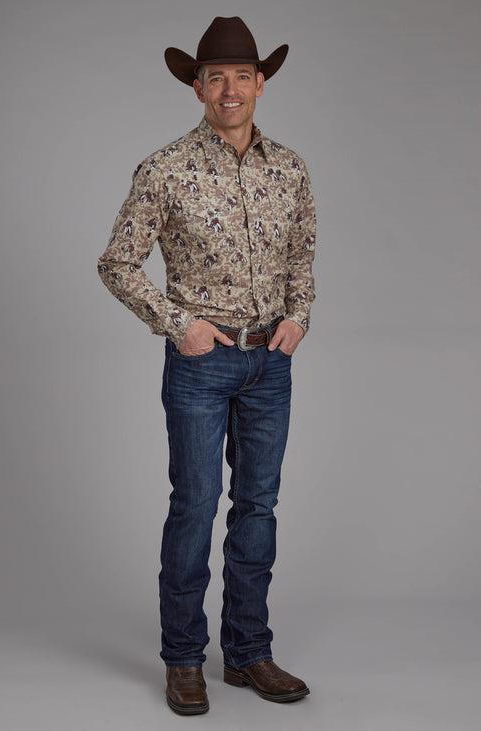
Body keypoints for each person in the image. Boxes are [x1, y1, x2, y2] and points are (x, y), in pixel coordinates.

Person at [97, 16, 316, 716]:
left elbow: (302, 254)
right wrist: (177, 324)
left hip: (270, 364)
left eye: (241, 76)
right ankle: (184, 658)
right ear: (196, 87)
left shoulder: (290, 168)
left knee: (258, 507)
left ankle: (248, 651)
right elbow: (117, 262)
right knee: (194, 507)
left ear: (261, 83)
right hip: (201, 363)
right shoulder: (165, 168)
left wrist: (299, 315)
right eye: (215, 77)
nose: (230, 90)